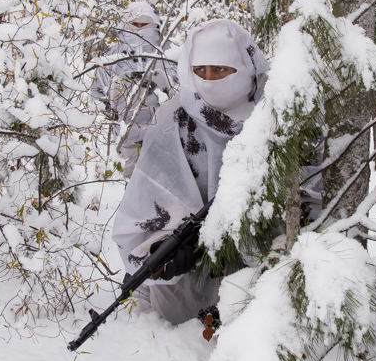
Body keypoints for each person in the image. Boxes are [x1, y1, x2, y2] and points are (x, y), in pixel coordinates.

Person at [111, 19, 269, 326]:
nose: (209, 80)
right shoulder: (173, 122)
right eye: (200, 71)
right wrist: (160, 246)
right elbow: (142, 208)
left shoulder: (273, 118)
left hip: (260, 277)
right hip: (185, 291)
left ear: (245, 67)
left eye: (221, 70)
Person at [91, 1, 178, 176]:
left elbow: (186, 88)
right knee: (133, 191)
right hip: (127, 140)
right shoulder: (112, 56)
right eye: (134, 24)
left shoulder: (170, 53)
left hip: (166, 139)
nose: (139, 29)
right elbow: (97, 93)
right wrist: (112, 112)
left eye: (144, 24)